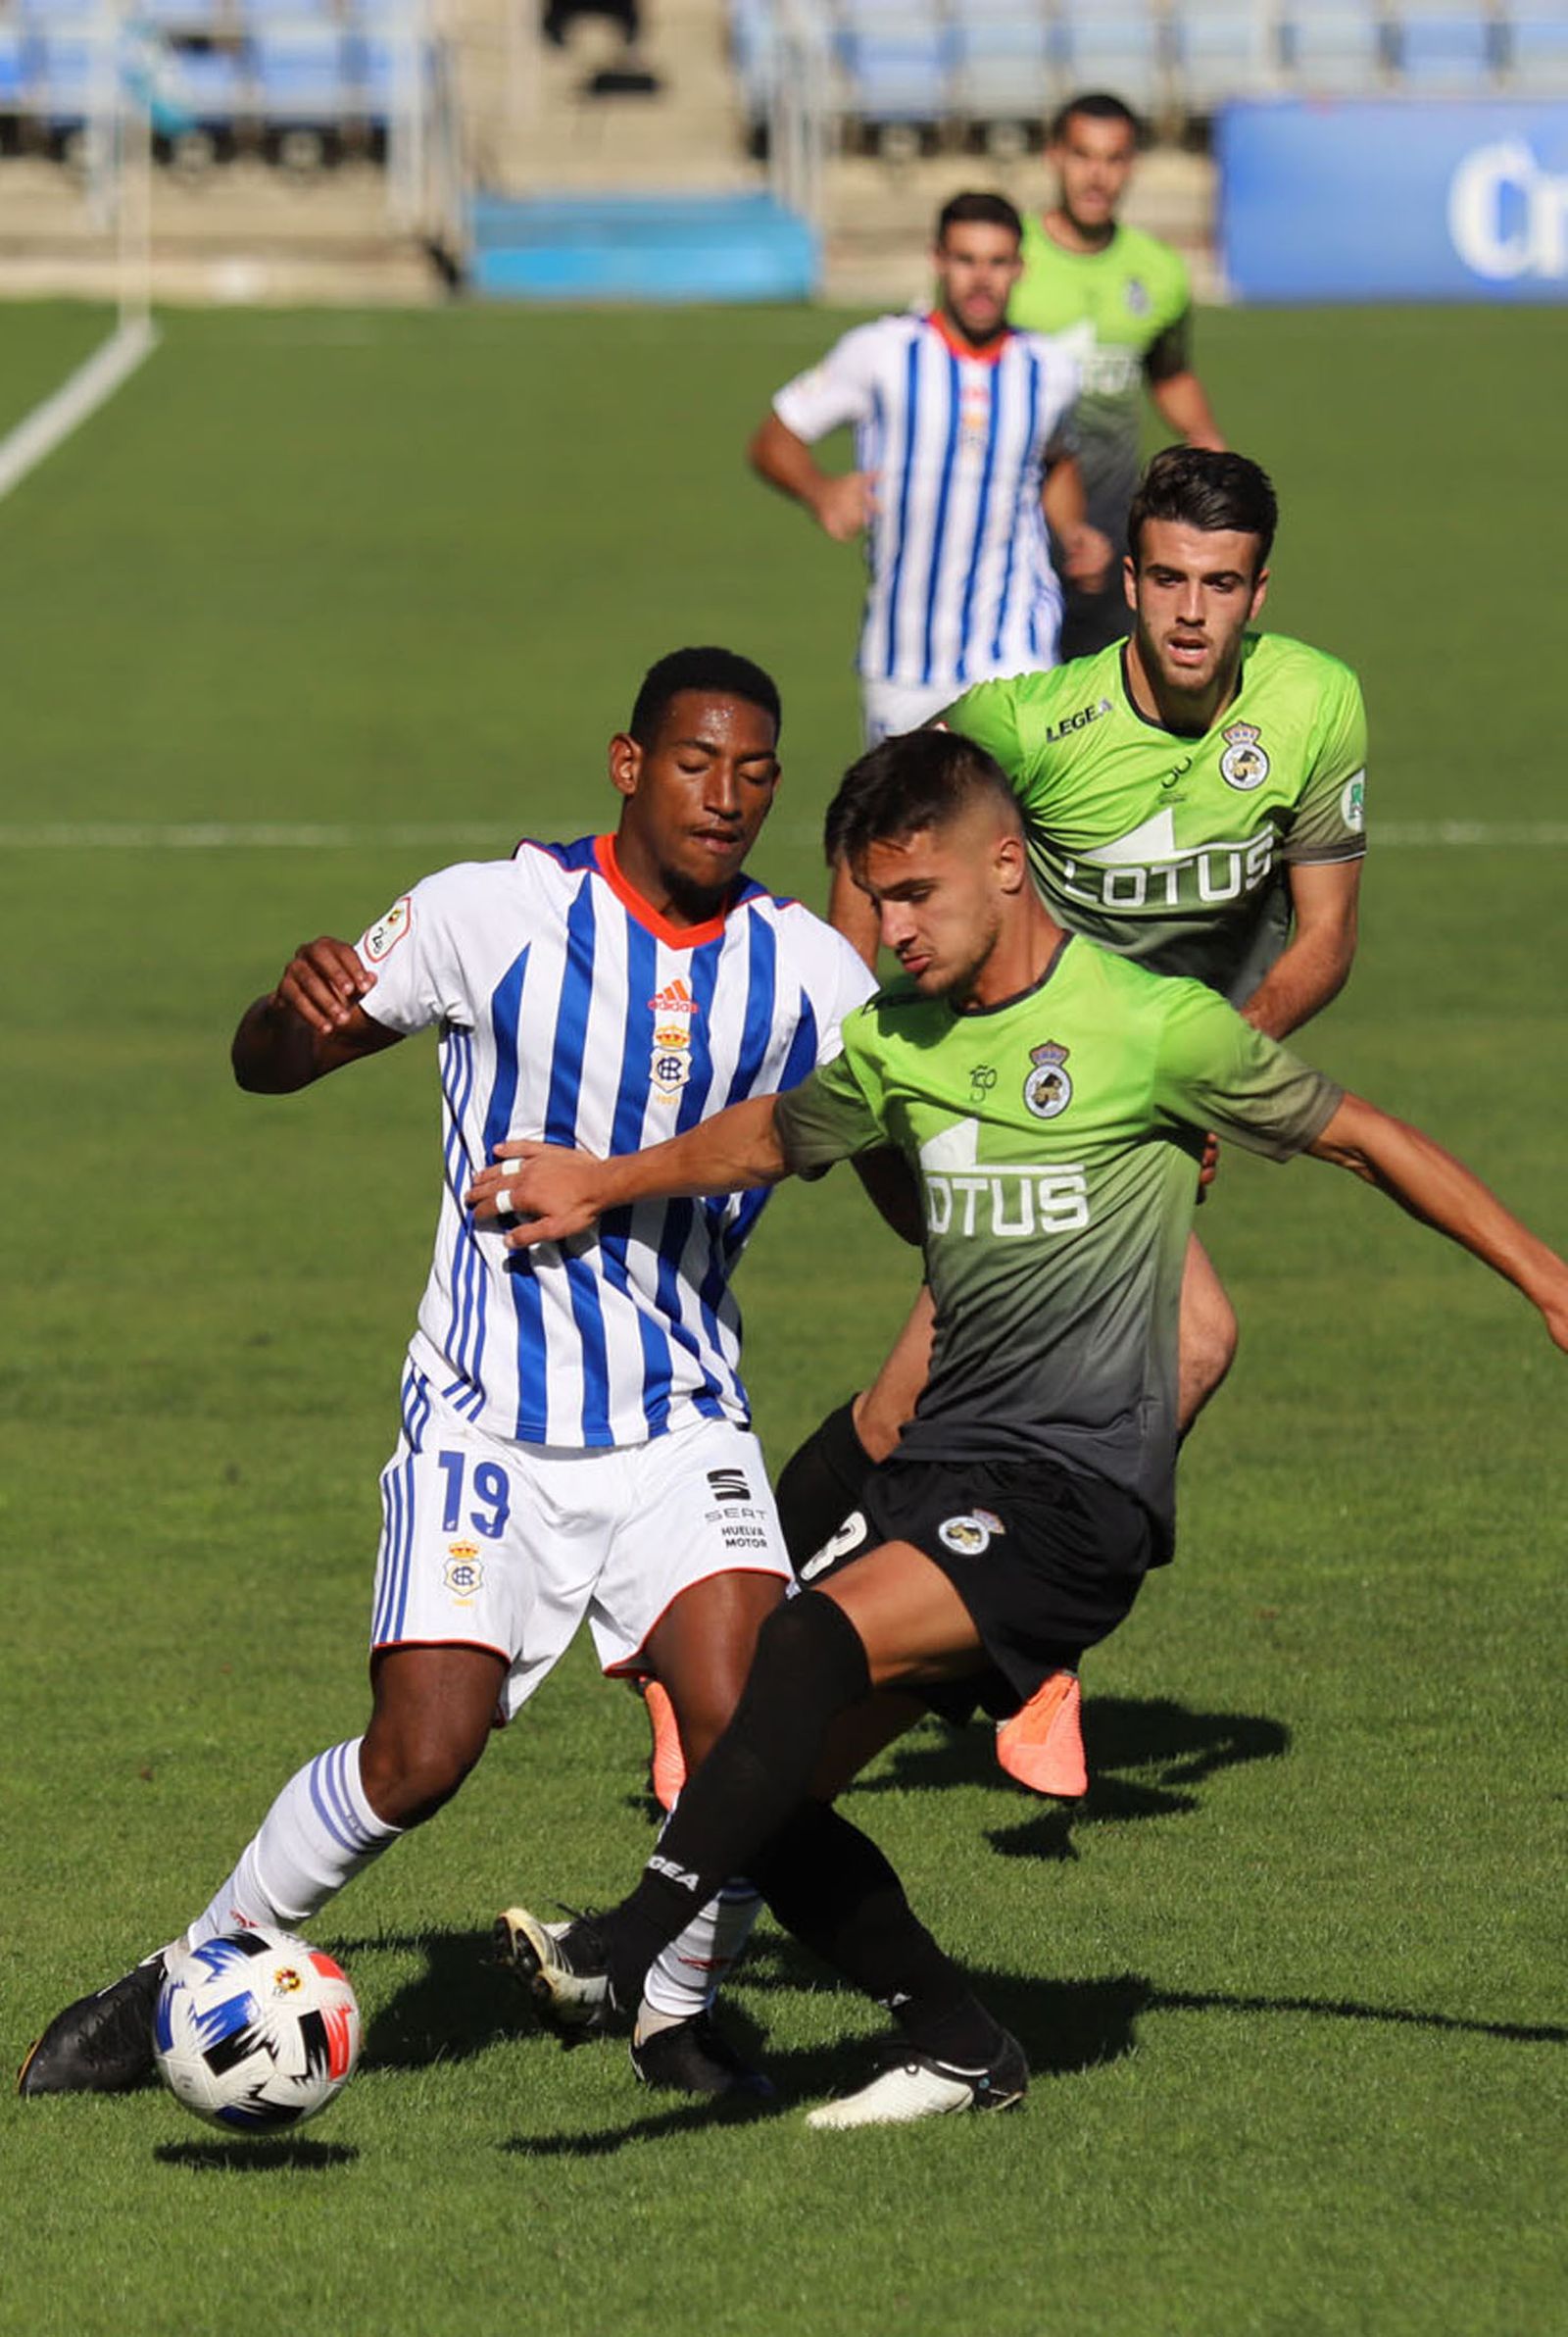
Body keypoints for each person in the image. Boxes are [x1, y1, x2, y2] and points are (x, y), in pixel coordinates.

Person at [473, 727, 1567, 2129]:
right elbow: (769, 1138)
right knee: (767, 1789)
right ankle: (960, 2046)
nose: (891, 927)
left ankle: (623, 1954)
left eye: (917, 893)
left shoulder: (1154, 1028)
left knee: (804, 1641)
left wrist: (1547, 1283)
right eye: (874, 899)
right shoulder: (900, 1044)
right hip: (942, 1474)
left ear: (1006, 864)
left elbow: (1365, 1138)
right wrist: (603, 1182)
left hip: (1072, 1498)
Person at [18, 646, 877, 2106]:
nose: (724, 798)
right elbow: (268, 1065)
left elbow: (912, 1190)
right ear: (628, 763)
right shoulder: (499, 914)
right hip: (491, 1420)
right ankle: (194, 1967)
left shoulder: (811, 969)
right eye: (693, 763)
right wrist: (291, 1006)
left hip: (680, 1427)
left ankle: (670, 2013)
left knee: (757, 1740)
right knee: (421, 1757)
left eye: (753, 774)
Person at [797, 446, 1366, 1798]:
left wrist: (1224, 1065)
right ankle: (953, 1642)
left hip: (1146, 1082)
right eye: (1164, 576)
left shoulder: (1315, 706)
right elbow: (880, 806)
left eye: (1219, 585)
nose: (1187, 612)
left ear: (1258, 591)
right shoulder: (1029, 719)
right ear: (1126, 577)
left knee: (954, 1384)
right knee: (1144, 1342)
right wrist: (852, 984)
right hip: (1013, 1084)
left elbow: (1325, 935)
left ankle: (915, 1631)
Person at [749, 190, 1109, 748]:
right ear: (938, 259)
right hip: (904, 654)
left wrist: (1073, 531)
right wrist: (820, 491)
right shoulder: (880, 353)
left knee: (1011, 820)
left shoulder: (1050, 371)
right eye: (965, 260)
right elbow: (775, 437)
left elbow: (1056, 462)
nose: (981, 279)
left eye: (997, 262)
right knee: (903, 829)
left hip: (1013, 643)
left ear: (1019, 268)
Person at [1008, 92, 1227, 661]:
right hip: (1010, 531)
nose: (1096, 176)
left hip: (1111, 530)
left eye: (1113, 159)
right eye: (1083, 155)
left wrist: (1209, 445)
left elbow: (1170, 372)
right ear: (1055, 156)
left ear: (1132, 165)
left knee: (1101, 716)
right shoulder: (1006, 262)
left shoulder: (1158, 272)